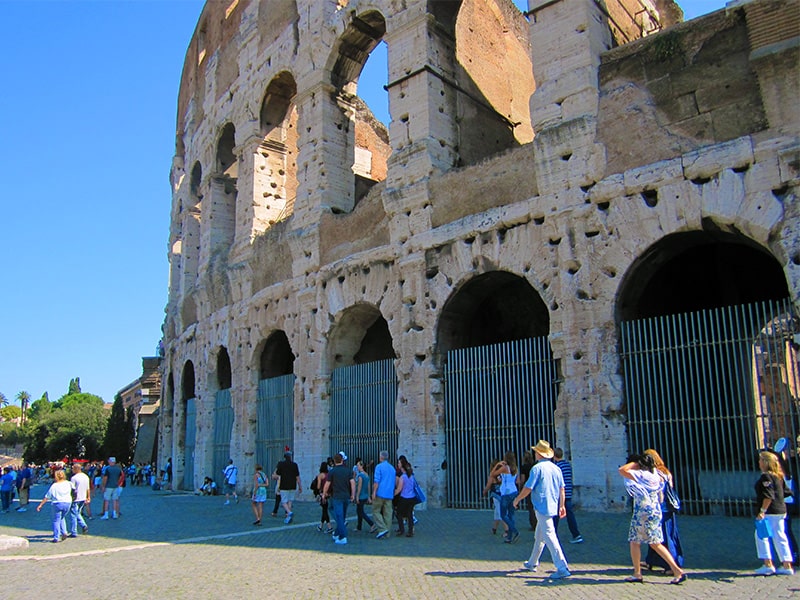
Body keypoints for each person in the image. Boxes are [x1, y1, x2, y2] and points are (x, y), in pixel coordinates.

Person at [619, 453, 686, 584]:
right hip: (655, 511)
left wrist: (636, 463)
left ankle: (676, 570)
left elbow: (622, 470)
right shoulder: (655, 475)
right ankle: (638, 572)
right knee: (642, 542)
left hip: (643, 512)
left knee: (648, 543)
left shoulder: (642, 475)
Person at [513, 440, 572, 579]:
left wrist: (517, 499)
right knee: (539, 536)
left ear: (539, 454)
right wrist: (562, 505)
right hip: (553, 504)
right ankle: (532, 562)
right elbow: (562, 488)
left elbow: (528, 487)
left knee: (550, 536)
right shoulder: (556, 468)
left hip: (541, 506)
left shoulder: (537, 468)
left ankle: (562, 567)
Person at [753, 451, 794, 575]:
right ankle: (787, 564)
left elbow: (768, 496)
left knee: (761, 535)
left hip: (770, 511)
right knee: (780, 536)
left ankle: (768, 564)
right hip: (781, 510)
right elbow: (787, 492)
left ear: (765, 463)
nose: (759, 463)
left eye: (760, 460)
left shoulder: (766, 477)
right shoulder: (778, 476)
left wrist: (762, 511)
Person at [642, 448, 683, 574]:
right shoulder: (666, 472)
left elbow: (659, 495)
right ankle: (651, 561)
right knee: (656, 536)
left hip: (660, 510)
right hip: (668, 509)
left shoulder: (655, 474)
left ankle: (672, 566)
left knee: (664, 538)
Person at [323, 452, 355, 545]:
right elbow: (352, 483)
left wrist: (324, 494)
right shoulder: (348, 470)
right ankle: (337, 534)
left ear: (334, 461)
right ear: (342, 460)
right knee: (342, 516)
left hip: (337, 497)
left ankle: (342, 536)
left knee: (339, 516)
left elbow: (327, 484)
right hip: (346, 496)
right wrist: (353, 494)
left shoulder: (332, 471)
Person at [553, 448, 583, 544]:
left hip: (560, 494)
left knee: (556, 515)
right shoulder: (567, 465)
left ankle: (552, 535)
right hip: (568, 492)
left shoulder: (557, 467)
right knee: (569, 514)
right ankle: (576, 534)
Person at [490, 452, 519, 543]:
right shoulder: (515, 468)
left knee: (503, 515)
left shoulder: (504, 468)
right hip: (514, 491)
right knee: (511, 515)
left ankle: (514, 531)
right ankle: (509, 537)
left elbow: (492, 474)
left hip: (506, 492)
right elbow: (517, 480)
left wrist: (498, 464)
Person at [36, 469, 72, 543]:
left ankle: (56, 537)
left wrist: (41, 505)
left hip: (57, 503)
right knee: (62, 517)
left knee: (56, 520)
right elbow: (74, 490)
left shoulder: (54, 486)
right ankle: (64, 532)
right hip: (67, 502)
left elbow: (47, 496)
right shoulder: (69, 483)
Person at [371, 450, 397, 539]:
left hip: (380, 492)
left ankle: (382, 529)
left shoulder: (379, 467)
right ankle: (387, 533)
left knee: (376, 511)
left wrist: (374, 492)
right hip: (389, 494)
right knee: (388, 514)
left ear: (381, 457)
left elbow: (376, 481)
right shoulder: (392, 468)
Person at [274, 450, 301, 524]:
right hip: (292, 485)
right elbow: (297, 476)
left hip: (284, 485)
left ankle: (289, 512)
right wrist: (300, 486)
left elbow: (278, 474)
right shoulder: (294, 465)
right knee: (290, 501)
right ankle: (288, 517)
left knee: (283, 501)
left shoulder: (281, 464)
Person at [483, 459, 508, 538]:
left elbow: (488, 486)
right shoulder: (503, 474)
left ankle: (507, 530)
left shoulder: (492, 476)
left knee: (500, 512)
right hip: (503, 494)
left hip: (496, 495)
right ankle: (494, 528)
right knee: (497, 512)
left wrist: (484, 492)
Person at [394, 455, 417, 537]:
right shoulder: (411, 475)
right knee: (409, 514)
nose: (398, 464)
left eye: (399, 463)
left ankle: (401, 529)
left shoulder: (402, 477)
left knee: (399, 513)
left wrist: (392, 494)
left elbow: (399, 489)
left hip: (404, 498)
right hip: (412, 497)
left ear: (402, 465)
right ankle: (410, 530)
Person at [68, 462, 90, 537]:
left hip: (75, 498)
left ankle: (75, 531)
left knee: (74, 514)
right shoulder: (86, 477)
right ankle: (83, 526)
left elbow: (72, 489)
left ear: (76, 469)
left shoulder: (74, 478)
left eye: (73, 468)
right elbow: (88, 488)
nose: (72, 470)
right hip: (83, 497)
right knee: (77, 513)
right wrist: (88, 497)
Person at [355, 459, 376, 533]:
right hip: (365, 495)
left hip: (361, 496)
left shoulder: (360, 476)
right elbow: (368, 486)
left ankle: (371, 524)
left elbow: (359, 487)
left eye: (358, 465)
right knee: (359, 511)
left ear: (361, 466)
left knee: (360, 512)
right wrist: (368, 496)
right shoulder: (366, 475)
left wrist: (357, 496)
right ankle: (359, 526)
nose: (357, 467)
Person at [313, 462, 333, 533]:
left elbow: (318, 486)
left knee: (324, 510)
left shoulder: (320, 475)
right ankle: (320, 526)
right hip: (329, 494)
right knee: (324, 510)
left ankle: (329, 526)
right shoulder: (329, 475)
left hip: (323, 494)